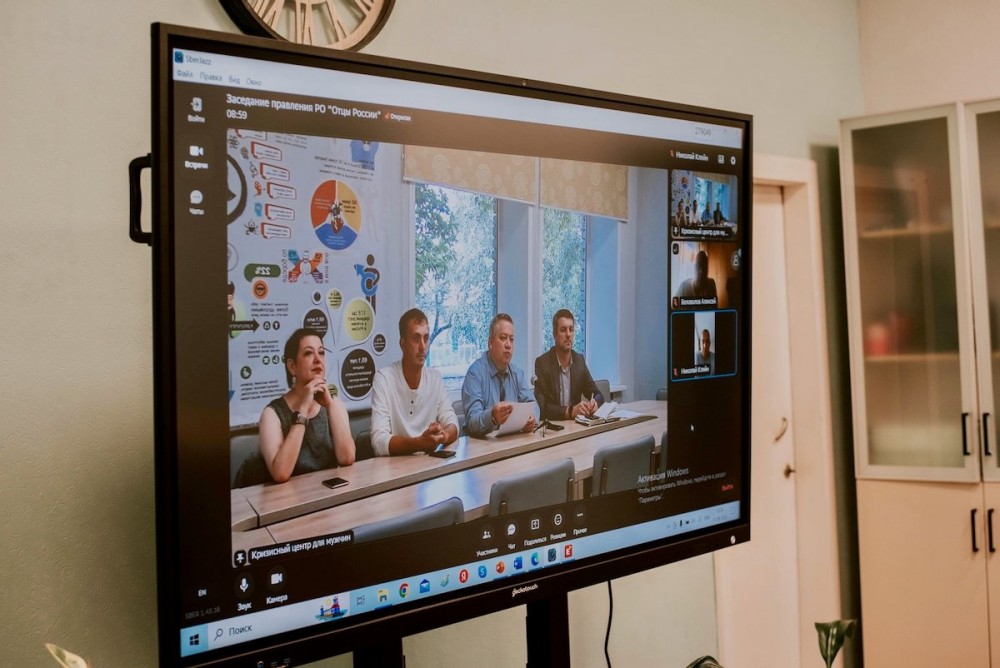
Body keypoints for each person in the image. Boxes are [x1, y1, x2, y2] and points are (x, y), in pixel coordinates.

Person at [258, 328, 355, 483]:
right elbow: (280, 473)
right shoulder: (272, 414)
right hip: (291, 496)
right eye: (309, 353)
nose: (318, 359)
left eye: (321, 352)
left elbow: (347, 458)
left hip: (330, 493)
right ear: (292, 366)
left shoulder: (334, 403)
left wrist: (330, 406)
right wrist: (303, 410)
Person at [370, 308, 459, 456]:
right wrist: (419, 443)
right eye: (416, 338)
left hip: (429, 465)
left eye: (426, 338)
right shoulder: (384, 379)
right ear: (403, 344)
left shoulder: (435, 378)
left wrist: (444, 435)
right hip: (397, 467)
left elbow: (453, 422)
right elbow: (379, 442)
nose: (423, 346)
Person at [461, 313, 537, 437]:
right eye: (503, 338)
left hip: (510, 442)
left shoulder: (517, 373)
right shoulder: (474, 374)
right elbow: (472, 422)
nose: (508, 345)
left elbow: (533, 405)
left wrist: (532, 418)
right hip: (480, 444)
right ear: (490, 342)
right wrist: (492, 417)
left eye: (511, 339)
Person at [534, 309, 603, 421]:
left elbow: (597, 394)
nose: (568, 334)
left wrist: (595, 402)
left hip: (576, 426)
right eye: (563, 330)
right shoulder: (543, 363)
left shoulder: (579, 361)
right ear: (554, 334)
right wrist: (570, 411)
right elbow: (542, 407)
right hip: (554, 426)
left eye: (571, 329)